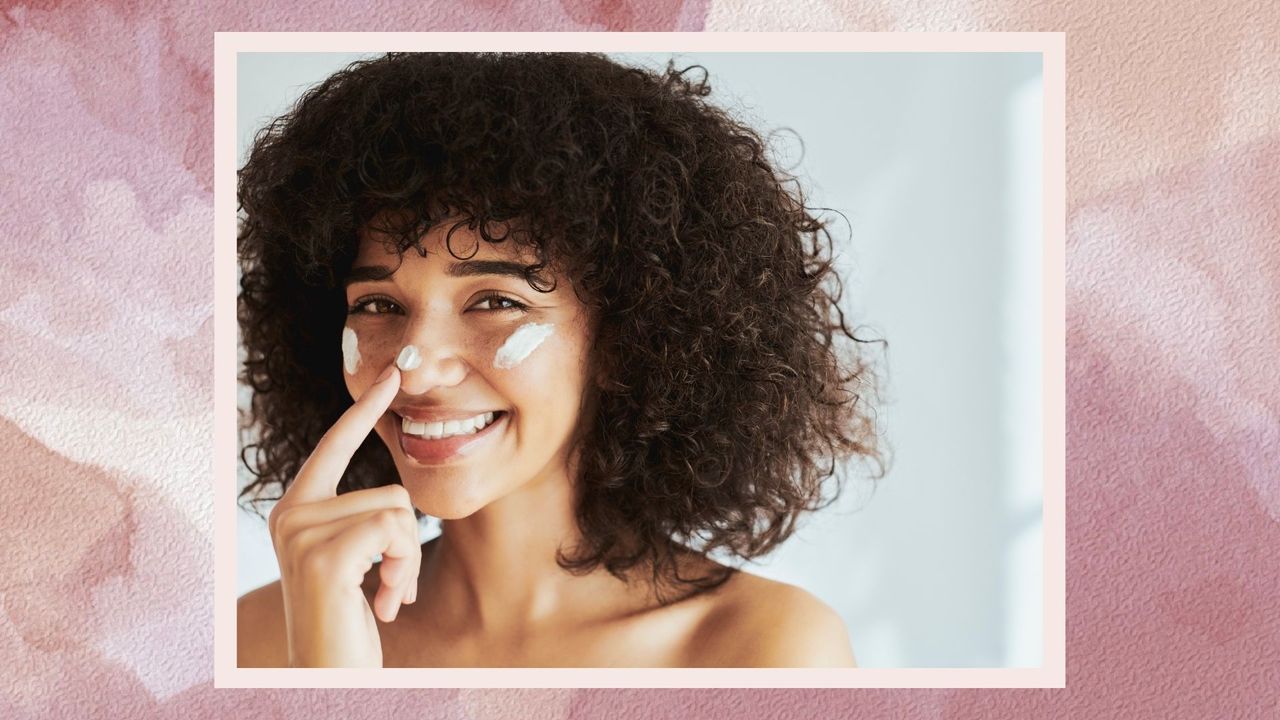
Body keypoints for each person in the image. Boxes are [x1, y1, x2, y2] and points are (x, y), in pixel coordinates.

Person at [235, 51, 888, 668]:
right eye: (378, 305)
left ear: (626, 339)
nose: (416, 365)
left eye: (493, 300)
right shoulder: (267, 635)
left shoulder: (762, 649)